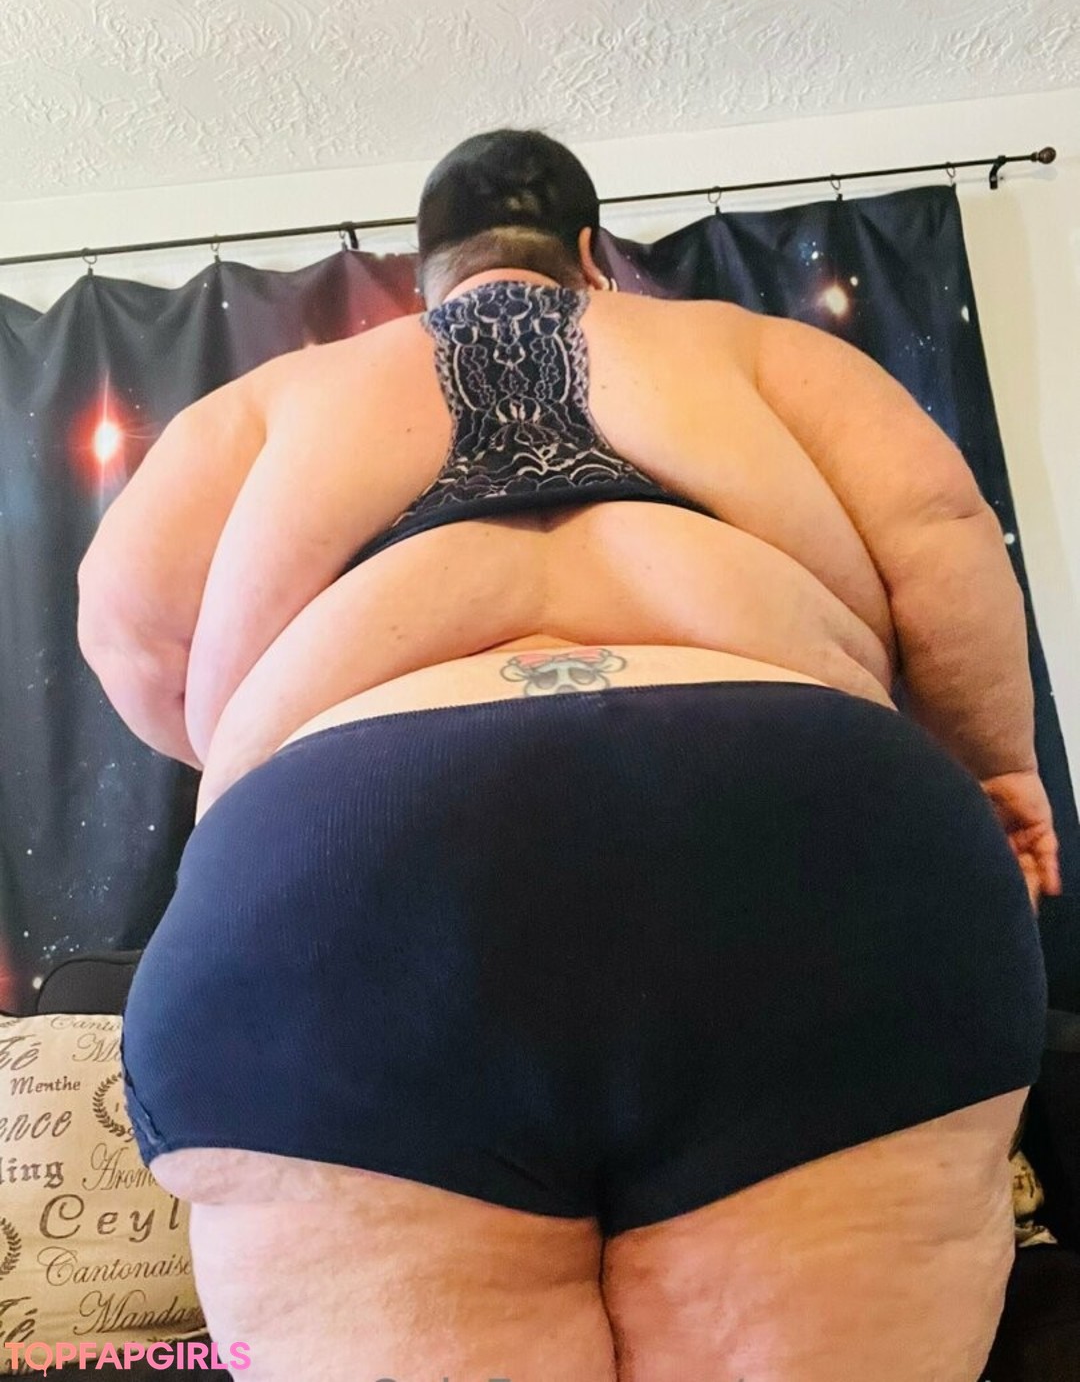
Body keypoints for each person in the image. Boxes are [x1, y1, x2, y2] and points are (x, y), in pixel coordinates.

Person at [77, 128, 1059, 1382]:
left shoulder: (281, 397)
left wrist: (274, 751)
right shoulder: (752, 348)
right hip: (804, 817)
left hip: (343, 874)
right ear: (594, 256)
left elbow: (124, 614)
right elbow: (938, 524)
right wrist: (999, 767)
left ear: (423, 274)